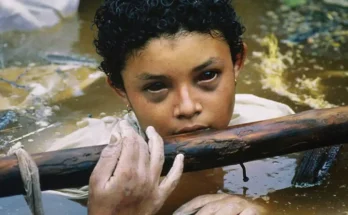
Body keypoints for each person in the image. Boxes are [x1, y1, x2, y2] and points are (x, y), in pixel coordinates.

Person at [45, 0, 295, 214]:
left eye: (208, 75)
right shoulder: (74, 178)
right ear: (120, 89)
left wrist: (263, 207)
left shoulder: (277, 127)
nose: (187, 107)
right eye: (156, 86)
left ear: (237, 62)